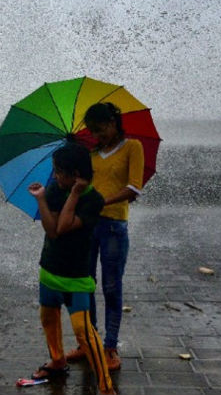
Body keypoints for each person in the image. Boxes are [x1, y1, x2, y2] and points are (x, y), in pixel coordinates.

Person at [27, 141, 116, 395]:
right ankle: (57, 360)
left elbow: (64, 226)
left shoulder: (94, 200)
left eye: (59, 171)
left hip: (76, 277)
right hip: (49, 269)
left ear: (76, 175)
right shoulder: (54, 189)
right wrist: (42, 199)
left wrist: (75, 194)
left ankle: (106, 387)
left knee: (84, 332)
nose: (55, 175)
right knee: (48, 319)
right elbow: (51, 230)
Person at [66, 102, 144, 371]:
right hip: (88, 226)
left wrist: (103, 201)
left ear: (113, 123)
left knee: (111, 288)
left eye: (100, 130)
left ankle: (110, 347)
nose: (97, 136)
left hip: (113, 226)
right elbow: (82, 186)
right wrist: (73, 152)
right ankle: (89, 341)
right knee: (85, 284)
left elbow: (134, 188)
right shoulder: (93, 154)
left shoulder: (133, 147)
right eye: (93, 132)